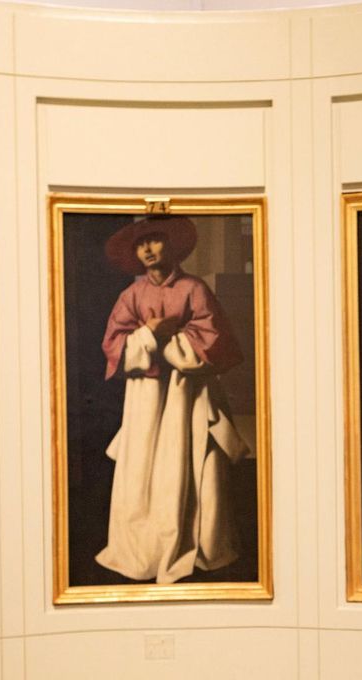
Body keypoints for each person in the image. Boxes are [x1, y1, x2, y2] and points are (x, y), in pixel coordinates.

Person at [95, 215, 249, 583]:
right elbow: (114, 345)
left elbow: (214, 339)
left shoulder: (194, 289)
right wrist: (148, 335)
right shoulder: (130, 296)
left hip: (187, 394)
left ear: (171, 245)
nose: (148, 249)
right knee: (144, 468)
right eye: (140, 244)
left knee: (189, 463)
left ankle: (198, 544)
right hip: (146, 398)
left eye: (155, 240)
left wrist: (169, 341)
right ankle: (144, 547)